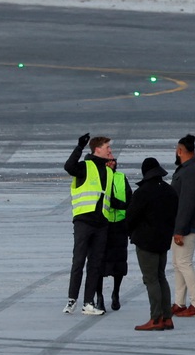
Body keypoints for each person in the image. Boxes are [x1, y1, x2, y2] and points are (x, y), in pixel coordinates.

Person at [123, 157, 178, 330]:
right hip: (163, 241)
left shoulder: (143, 192)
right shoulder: (170, 191)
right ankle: (167, 318)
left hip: (146, 242)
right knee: (161, 277)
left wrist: (127, 232)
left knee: (151, 279)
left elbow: (130, 217)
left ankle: (156, 319)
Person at [62, 133, 115, 315]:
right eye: (108, 147)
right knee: (78, 261)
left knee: (95, 265)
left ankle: (88, 302)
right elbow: (68, 167)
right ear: (97, 149)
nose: (110, 151)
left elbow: (110, 198)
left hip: (102, 225)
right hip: (84, 222)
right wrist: (79, 147)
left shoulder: (109, 172)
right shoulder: (85, 166)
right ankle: (72, 300)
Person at [169, 135, 195, 317]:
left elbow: (187, 203)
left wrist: (179, 230)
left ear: (180, 151)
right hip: (183, 225)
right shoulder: (188, 169)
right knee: (178, 264)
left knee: (184, 263)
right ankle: (179, 303)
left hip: (188, 227)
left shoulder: (191, 171)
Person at [100, 146, 134, 311]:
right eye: (109, 160)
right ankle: (99, 296)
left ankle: (116, 293)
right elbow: (105, 199)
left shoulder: (121, 177)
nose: (112, 162)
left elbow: (130, 199)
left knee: (120, 263)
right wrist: (120, 205)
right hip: (103, 224)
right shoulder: (99, 177)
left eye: (113, 160)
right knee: (99, 262)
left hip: (120, 225)